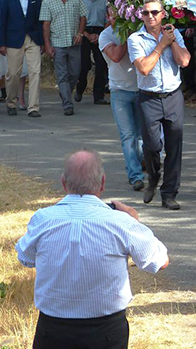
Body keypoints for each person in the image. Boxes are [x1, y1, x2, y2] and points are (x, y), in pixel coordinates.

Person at [16, 149, 168, 349]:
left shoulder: (43, 219)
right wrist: (135, 221)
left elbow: (25, 258)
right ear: (103, 182)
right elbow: (159, 262)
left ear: (63, 183)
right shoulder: (121, 222)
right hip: (105, 331)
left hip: (53, 329)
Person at [127, 0, 191, 210]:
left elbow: (184, 61)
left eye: (155, 12)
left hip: (173, 95)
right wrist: (160, 45)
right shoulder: (136, 39)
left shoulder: (173, 34)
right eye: (146, 13)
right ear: (141, 16)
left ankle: (169, 193)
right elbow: (144, 68)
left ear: (163, 14)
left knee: (175, 145)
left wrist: (170, 41)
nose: (150, 16)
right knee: (152, 146)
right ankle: (153, 178)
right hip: (149, 97)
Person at [100, 7, 145, 191]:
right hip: (119, 91)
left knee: (143, 136)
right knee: (128, 136)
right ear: (107, 17)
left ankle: (142, 162)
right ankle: (135, 176)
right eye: (112, 15)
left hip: (141, 89)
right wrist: (129, 36)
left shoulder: (140, 31)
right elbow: (116, 56)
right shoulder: (105, 35)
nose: (116, 19)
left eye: (120, 15)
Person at [0, 0, 43, 118]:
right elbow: (2, 19)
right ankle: (11, 102)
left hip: (32, 37)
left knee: (35, 72)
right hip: (13, 38)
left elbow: (39, 19)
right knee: (13, 73)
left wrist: (41, 41)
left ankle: (33, 107)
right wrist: (1, 43)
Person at [40, 0, 87, 116]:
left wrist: (80, 33)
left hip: (74, 43)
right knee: (62, 75)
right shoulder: (47, 2)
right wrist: (47, 45)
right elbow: (46, 25)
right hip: (58, 43)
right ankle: (67, 104)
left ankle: (65, 91)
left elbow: (83, 17)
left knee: (75, 73)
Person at [76, 0, 108, 105]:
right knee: (84, 65)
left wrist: (99, 36)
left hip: (99, 31)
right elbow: (77, 22)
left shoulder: (103, 1)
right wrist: (87, 35)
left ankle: (98, 95)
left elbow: (108, 20)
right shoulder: (79, 0)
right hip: (84, 31)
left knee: (101, 63)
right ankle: (80, 88)